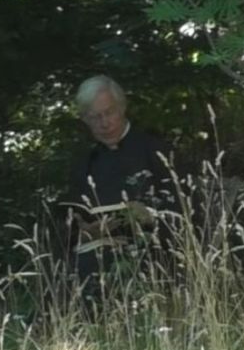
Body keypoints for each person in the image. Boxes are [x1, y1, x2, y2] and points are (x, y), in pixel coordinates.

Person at [64, 75, 176, 312]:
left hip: (151, 249)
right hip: (96, 247)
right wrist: (84, 229)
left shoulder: (155, 150)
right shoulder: (85, 161)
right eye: (95, 117)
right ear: (84, 120)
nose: (105, 123)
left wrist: (149, 214)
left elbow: (185, 206)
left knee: (91, 264)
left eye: (110, 112)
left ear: (122, 107)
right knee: (67, 261)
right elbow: (72, 213)